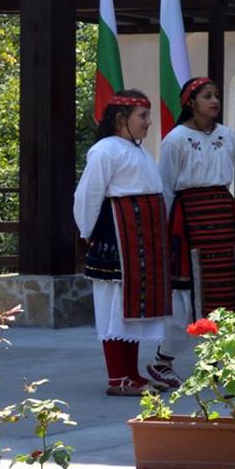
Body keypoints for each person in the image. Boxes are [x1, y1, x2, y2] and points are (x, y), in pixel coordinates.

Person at [159, 76, 235, 381]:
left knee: (230, 288)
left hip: (222, 217)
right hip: (190, 220)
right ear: (191, 102)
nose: (214, 100)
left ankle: (224, 358)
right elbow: (166, 187)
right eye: (207, 96)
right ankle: (163, 360)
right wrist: (167, 233)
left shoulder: (227, 135)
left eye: (216, 95)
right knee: (186, 294)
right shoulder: (175, 139)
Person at [74, 89, 174, 396]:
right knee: (115, 307)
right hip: (118, 237)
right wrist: (87, 231)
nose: (149, 122)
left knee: (131, 308)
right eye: (143, 116)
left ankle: (131, 374)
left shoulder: (136, 150)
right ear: (122, 119)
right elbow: (88, 194)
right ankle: (118, 378)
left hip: (140, 239)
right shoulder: (105, 150)